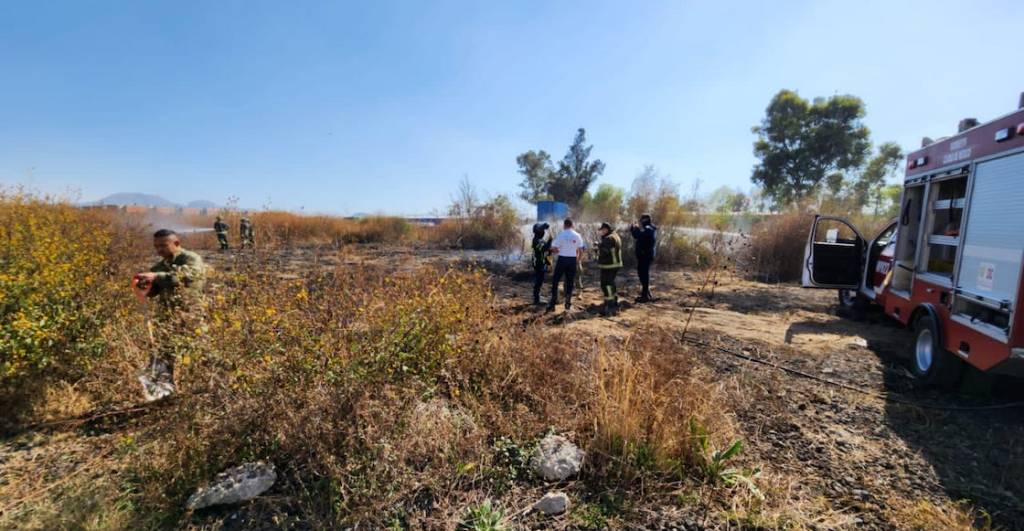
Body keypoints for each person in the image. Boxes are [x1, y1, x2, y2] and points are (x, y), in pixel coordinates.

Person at [133, 229, 208, 400]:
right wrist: (145, 286)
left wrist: (157, 277)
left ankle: (203, 389)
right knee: (162, 353)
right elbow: (153, 292)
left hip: (191, 315)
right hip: (167, 317)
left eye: (163, 245)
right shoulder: (158, 267)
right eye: (156, 246)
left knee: (198, 351)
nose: (159, 249)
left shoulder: (190, 258)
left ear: (176, 243)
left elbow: (188, 276)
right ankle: (164, 391)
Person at [547, 218, 585, 313]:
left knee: (555, 281)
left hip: (562, 259)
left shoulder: (561, 234)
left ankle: (552, 304)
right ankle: (568, 305)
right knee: (570, 282)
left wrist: (557, 251)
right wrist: (578, 259)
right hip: (572, 260)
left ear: (564, 225)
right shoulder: (577, 235)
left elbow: (553, 248)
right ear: (572, 225)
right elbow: (581, 250)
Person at [596, 222, 623, 315]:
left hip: (609, 264)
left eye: (602, 230)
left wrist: (598, 247)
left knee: (606, 284)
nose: (601, 232)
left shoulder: (608, 238)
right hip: (615, 264)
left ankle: (609, 303)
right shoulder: (615, 235)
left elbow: (605, 251)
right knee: (611, 283)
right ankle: (613, 301)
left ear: (606, 229)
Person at [630, 213, 657, 303]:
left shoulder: (649, 229)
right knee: (641, 274)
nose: (640, 222)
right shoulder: (647, 229)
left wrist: (636, 228)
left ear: (645, 220)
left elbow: (639, 236)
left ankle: (645, 295)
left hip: (646, 256)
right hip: (643, 256)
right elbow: (636, 236)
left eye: (641, 220)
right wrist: (633, 228)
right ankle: (646, 293)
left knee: (644, 275)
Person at [530, 222, 553, 305]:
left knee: (540, 280)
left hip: (541, 262)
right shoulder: (536, 240)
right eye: (541, 230)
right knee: (539, 281)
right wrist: (550, 240)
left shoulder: (539, 239)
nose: (543, 231)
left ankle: (538, 297)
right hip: (538, 264)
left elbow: (545, 250)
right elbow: (544, 248)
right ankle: (537, 299)